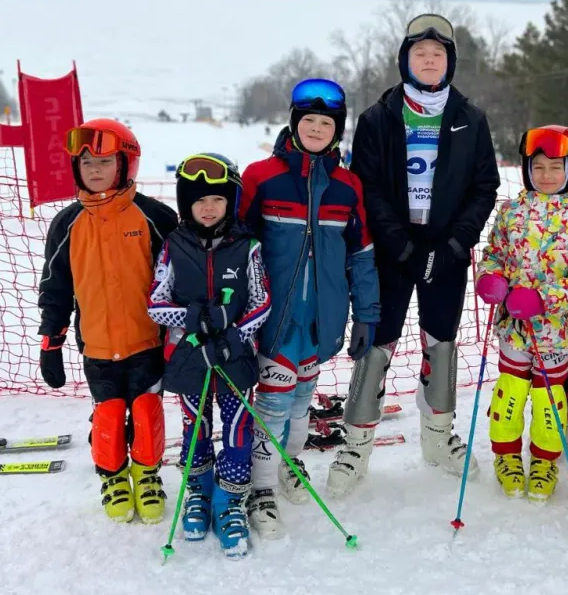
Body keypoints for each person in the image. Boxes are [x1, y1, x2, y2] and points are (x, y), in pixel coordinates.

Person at [328, 13, 500, 496]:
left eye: (438, 54)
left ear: (450, 64)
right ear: (405, 61)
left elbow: (484, 187)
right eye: (420, 54)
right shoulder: (379, 117)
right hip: (392, 251)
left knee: (441, 345)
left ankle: (438, 440)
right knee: (377, 347)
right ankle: (356, 446)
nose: (429, 61)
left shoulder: (470, 118)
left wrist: (454, 244)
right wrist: (398, 244)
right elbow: (368, 186)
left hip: (445, 252)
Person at [239, 78, 379, 536]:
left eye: (326, 122)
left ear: (337, 131)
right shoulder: (262, 176)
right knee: (274, 406)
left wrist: (368, 315)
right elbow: (234, 248)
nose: (316, 128)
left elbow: (361, 255)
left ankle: (288, 463)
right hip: (273, 320)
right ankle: (261, 488)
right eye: (309, 120)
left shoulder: (347, 185)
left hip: (321, 322)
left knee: (301, 403)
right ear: (293, 124)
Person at [37, 118, 178, 523]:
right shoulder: (67, 223)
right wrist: (52, 341)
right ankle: (113, 477)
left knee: (148, 408)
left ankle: (147, 474)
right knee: (109, 412)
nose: (94, 170)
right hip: (97, 343)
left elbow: (180, 277)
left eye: (103, 161)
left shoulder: (154, 217)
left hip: (148, 341)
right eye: (86, 164)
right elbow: (56, 287)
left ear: (125, 164)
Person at [147, 153, 271, 558]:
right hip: (189, 358)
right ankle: (198, 493)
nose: (207, 207)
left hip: (234, 356)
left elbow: (261, 301)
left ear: (230, 202)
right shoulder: (173, 245)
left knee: (237, 428)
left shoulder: (247, 246)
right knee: (194, 425)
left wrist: (233, 338)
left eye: (217, 199)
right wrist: (194, 316)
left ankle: (230, 500)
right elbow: (155, 302)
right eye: (199, 200)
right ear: (186, 204)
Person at [474, 126, 568, 500]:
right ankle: (507, 456)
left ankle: (545, 460)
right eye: (538, 167)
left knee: (549, 398)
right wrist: (491, 279)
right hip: (514, 325)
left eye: (555, 167)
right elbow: (495, 253)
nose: (546, 175)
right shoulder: (512, 211)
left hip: (556, 329)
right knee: (510, 392)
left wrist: (543, 299)